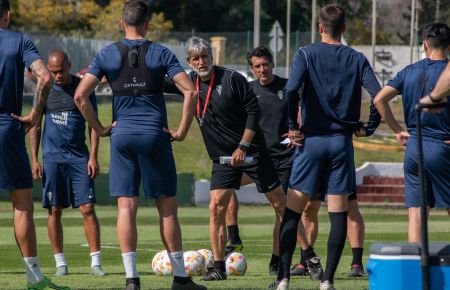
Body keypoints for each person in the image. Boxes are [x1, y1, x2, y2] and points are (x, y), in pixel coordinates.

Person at [72, 1, 207, 290]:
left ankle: (132, 280)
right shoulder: (161, 52)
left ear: (123, 23)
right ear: (147, 23)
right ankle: (181, 279)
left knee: (126, 207)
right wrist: (181, 131)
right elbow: (191, 92)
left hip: (121, 137)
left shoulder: (107, 53)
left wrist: (100, 128)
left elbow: (80, 96)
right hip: (154, 135)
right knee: (167, 208)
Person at [164, 37, 299, 282]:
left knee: (282, 205)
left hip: (254, 153)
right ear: (189, 62)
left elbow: (253, 111)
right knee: (215, 208)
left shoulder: (232, 79)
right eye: (196, 58)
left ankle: (307, 257)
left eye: (205, 56)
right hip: (223, 160)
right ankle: (218, 268)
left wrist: (243, 146)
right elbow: (156, 81)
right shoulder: (189, 84)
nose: (201, 61)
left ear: (212, 57)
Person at [270, 4, 381, 290]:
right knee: (338, 213)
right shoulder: (357, 58)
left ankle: (282, 278)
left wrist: (292, 127)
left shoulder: (305, 53)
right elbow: (378, 95)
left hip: (311, 143)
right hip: (341, 144)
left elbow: (291, 89)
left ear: (320, 27)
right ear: (343, 28)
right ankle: (328, 280)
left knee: (293, 212)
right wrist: (368, 126)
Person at [224, 46, 323, 278]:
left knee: (281, 210)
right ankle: (234, 237)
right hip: (256, 158)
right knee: (223, 185)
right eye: (257, 66)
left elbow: (305, 114)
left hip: (284, 158)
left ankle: (277, 259)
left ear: (272, 64)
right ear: (252, 69)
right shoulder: (247, 91)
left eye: (265, 64)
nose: (262, 69)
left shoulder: (288, 88)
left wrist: (299, 130)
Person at [0, 1, 70, 289]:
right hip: (6, 126)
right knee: (22, 205)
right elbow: (44, 76)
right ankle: (34, 277)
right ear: (7, 14)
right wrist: (34, 113)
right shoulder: (19, 40)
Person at [29, 50, 107, 277]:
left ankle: (96, 263)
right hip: (53, 159)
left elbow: (93, 124)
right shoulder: (44, 88)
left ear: (69, 66)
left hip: (79, 158)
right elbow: (35, 125)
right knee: (54, 210)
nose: (57, 76)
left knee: (88, 208)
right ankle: (60, 263)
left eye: (61, 71)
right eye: (53, 72)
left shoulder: (83, 88)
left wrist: (93, 156)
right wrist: (34, 158)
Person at [374, 23, 450, 243]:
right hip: (442, 146)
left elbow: (379, 99)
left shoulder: (408, 71)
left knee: (416, 215)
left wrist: (398, 131)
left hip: (414, 149)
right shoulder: (446, 73)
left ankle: (415, 271)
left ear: (425, 44)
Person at [291, 175, 366, 278]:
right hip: (314, 161)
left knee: (350, 206)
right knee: (308, 208)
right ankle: (305, 263)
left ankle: (357, 264)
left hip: (339, 161)